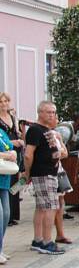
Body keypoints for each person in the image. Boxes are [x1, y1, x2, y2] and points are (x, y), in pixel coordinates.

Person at [22, 101, 66, 255]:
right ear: (40, 112)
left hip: (49, 172)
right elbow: (28, 154)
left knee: (41, 207)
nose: (52, 115)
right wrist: (28, 173)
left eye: (54, 112)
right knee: (50, 207)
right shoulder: (35, 130)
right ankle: (47, 242)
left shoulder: (47, 130)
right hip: (43, 173)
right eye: (48, 112)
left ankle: (38, 239)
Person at [0, 92, 24, 226]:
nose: (4, 104)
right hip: (5, 150)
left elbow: (17, 131)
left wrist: (20, 140)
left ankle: (14, 213)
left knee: (16, 179)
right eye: (1, 101)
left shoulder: (13, 116)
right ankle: (6, 215)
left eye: (6, 101)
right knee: (6, 181)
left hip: (15, 152)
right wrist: (13, 142)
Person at [0, 123, 17, 263]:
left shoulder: (1, 132)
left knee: (6, 214)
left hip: (4, 178)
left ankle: (0, 247)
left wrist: (13, 153)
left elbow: (10, 147)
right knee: (0, 214)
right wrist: (6, 155)